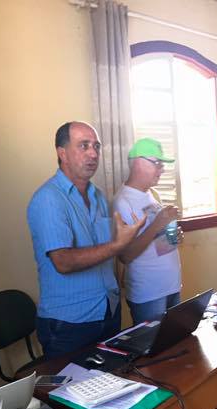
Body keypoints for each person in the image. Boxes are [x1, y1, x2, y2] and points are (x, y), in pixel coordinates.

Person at [27, 121, 144, 357]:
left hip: (108, 311)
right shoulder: (48, 198)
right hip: (69, 324)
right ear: (62, 153)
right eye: (84, 146)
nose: (93, 153)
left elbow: (109, 250)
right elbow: (63, 262)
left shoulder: (98, 196)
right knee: (70, 383)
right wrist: (117, 245)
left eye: (96, 146)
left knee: (113, 378)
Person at [113, 138, 182, 325]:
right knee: (152, 344)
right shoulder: (122, 202)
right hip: (149, 294)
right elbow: (125, 256)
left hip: (171, 286)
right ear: (138, 163)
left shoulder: (152, 194)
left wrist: (171, 237)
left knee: (176, 340)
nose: (162, 170)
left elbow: (156, 244)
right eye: (157, 163)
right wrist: (157, 224)